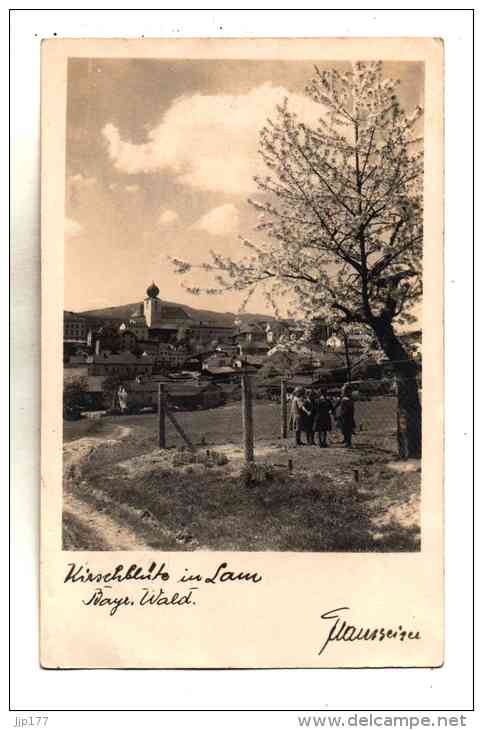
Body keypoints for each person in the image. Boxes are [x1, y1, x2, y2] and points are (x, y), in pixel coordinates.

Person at [339, 383, 356, 448]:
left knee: (348, 430)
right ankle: (347, 441)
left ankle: (348, 442)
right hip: (345, 416)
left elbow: (350, 408)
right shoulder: (345, 398)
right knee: (345, 429)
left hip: (348, 416)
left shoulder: (348, 399)